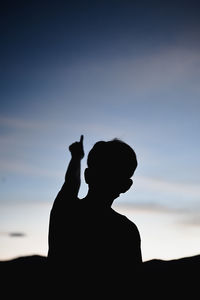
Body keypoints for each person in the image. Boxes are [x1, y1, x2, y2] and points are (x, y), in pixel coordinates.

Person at [48, 135, 142, 294]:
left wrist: (76, 157)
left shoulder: (66, 210)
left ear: (88, 175)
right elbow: (134, 285)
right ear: (126, 186)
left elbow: (71, 182)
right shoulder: (127, 230)